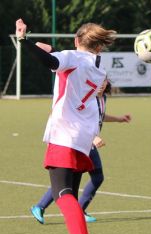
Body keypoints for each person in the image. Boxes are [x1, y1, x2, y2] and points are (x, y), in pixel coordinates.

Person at [16, 18, 116, 234]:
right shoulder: (98, 68)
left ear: (76, 40)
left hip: (64, 134)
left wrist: (24, 40)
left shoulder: (72, 57)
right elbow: (62, 59)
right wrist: (42, 47)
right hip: (83, 139)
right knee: (68, 192)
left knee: (63, 195)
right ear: (99, 46)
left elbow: (51, 60)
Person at [30, 79, 131, 224]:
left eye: (103, 81)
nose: (101, 84)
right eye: (98, 81)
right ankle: (40, 206)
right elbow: (78, 121)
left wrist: (119, 119)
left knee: (96, 177)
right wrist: (93, 137)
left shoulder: (103, 98)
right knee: (67, 181)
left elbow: (100, 116)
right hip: (79, 143)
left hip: (88, 145)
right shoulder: (86, 99)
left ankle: (78, 209)